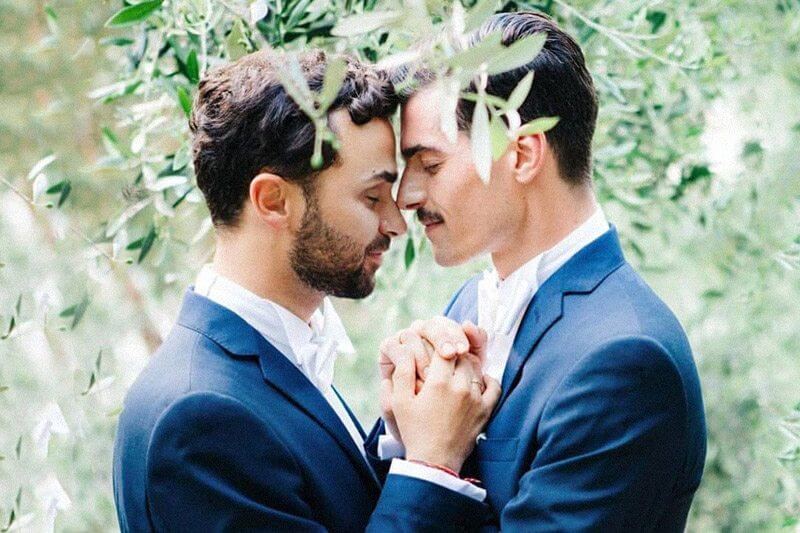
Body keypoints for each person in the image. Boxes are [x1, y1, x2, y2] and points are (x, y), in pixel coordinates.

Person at [112, 49, 500, 532]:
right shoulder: (198, 419)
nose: (396, 223)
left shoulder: (277, 356)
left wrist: (408, 435)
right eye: (372, 197)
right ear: (273, 201)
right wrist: (431, 463)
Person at [374, 12, 707, 531]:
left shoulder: (625, 360)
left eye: (430, 165)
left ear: (522, 154)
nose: (406, 197)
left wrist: (431, 464)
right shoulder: (466, 306)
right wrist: (405, 427)